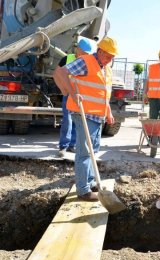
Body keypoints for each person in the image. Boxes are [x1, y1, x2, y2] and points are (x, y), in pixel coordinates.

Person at [53, 36, 118, 201]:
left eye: (113, 57)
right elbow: (61, 72)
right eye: (108, 55)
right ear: (100, 51)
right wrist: (71, 93)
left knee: (93, 151)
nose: (111, 59)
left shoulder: (106, 69)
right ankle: (83, 190)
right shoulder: (85, 62)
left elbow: (104, 94)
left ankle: (89, 182)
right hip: (83, 113)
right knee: (84, 152)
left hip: (97, 116)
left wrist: (109, 112)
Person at [57, 37, 95, 157]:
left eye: (87, 53)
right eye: (84, 52)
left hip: (81, 95)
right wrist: (62, 89)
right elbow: (56, 74)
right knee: (67, 120)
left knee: (77, 121)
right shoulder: (67, 59)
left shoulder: (87, 61)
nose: (85, 55)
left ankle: (72, 145)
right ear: (78, 49)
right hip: (69, 94)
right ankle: (64, 146)